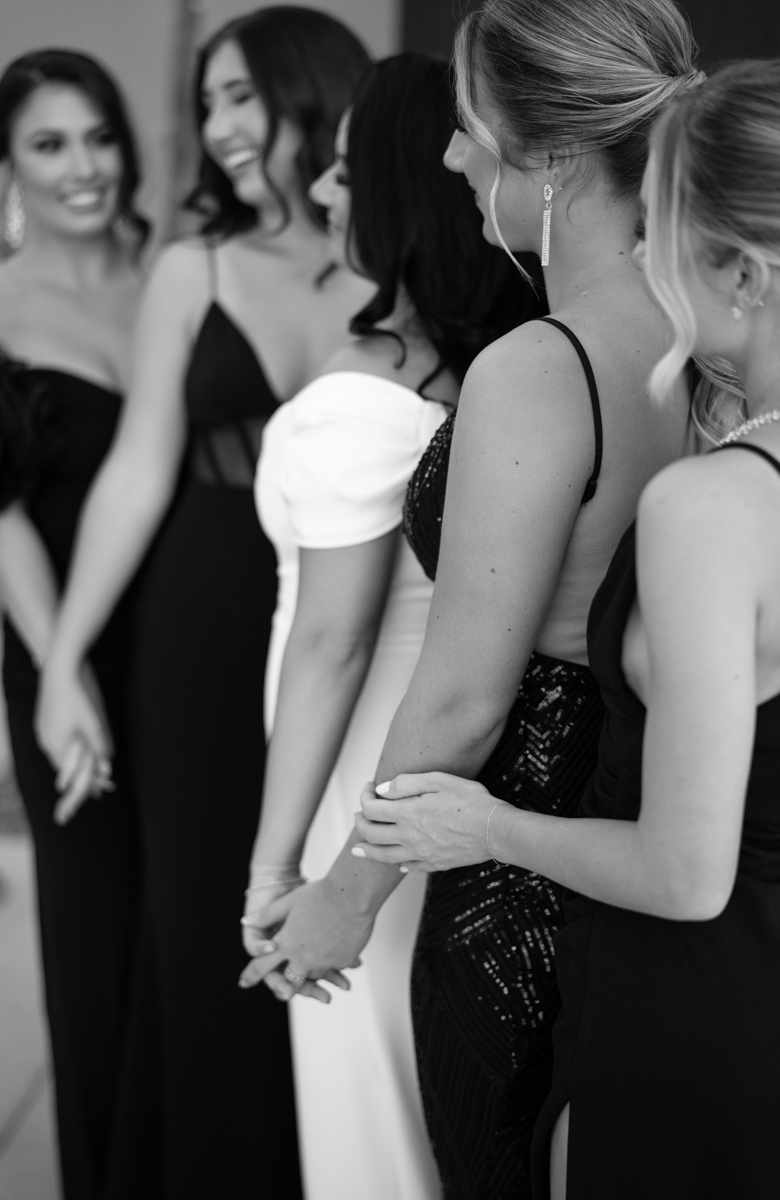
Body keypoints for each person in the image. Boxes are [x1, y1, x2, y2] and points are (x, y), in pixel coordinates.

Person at [240, 2, 705, 1196]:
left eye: (463, 128)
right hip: (639, 824)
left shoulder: (540, 367)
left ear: (545, 155)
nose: (448, 159)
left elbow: (460, 699)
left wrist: (344, 892)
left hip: (515, 876)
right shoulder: (710, 327)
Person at [353, 56, 780, 1200]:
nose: (640, 271)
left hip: (689, 1009)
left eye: (656, 237)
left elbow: (683, 871)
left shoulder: (710, 505)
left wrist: (482, 825)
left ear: (742, 274)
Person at [36, 9, 372, 1197]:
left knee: (327, 904)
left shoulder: (396, 253)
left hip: (353, 622)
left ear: (311, 92)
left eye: (243, 99)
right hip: (199, 617)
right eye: (208, 105)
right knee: (204, 910)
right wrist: (69, 661)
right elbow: (136, 470)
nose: (221, 130)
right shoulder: (194, 266)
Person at [239, 53, 545, 1200]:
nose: (319, 194)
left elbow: (329, 648)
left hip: (359, 779)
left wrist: (279, 868)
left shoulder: (355, 396)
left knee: (367, 1107)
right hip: (448, 776)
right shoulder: (497, 370)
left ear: (395, 188)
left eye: (338, 169)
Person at [0, 49, 147, 1200]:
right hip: (65, 652)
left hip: (201, 642)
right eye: (51, 144)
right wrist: (61, 672)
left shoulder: (179, 269)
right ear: (9, 164)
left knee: (191, 926)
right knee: (97, 934)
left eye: (97, 135)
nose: (84, 166)